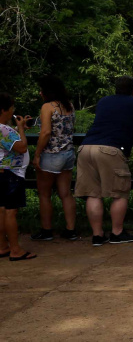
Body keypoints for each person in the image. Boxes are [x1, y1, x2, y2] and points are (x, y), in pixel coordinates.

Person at [75, 76, 133, 246]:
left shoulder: (104, 101)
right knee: (119, 193)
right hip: (111, 149)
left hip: (86, 147)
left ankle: (97, 235)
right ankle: (117, 232)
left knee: (93, 193)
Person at [30, 76, 79, 242]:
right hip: (68, 153)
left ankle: (46, 230)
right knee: (66, 193)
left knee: (44, 194)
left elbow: (45, 133)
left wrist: (37, 154)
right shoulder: (69, 106)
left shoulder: (47, 107)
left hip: (51, 154)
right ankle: (70, 230)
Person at [0, 93, 37, 260]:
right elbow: (21, 148)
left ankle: (2, 246)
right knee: (10, 212)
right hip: (11, 174)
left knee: (1, 211)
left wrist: (17, 130)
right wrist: (20, 129)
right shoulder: (4, 129)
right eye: (11, 109)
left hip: (2, 173)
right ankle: (15, 250)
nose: (12, 112)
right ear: (4, 110)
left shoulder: (5, 130)